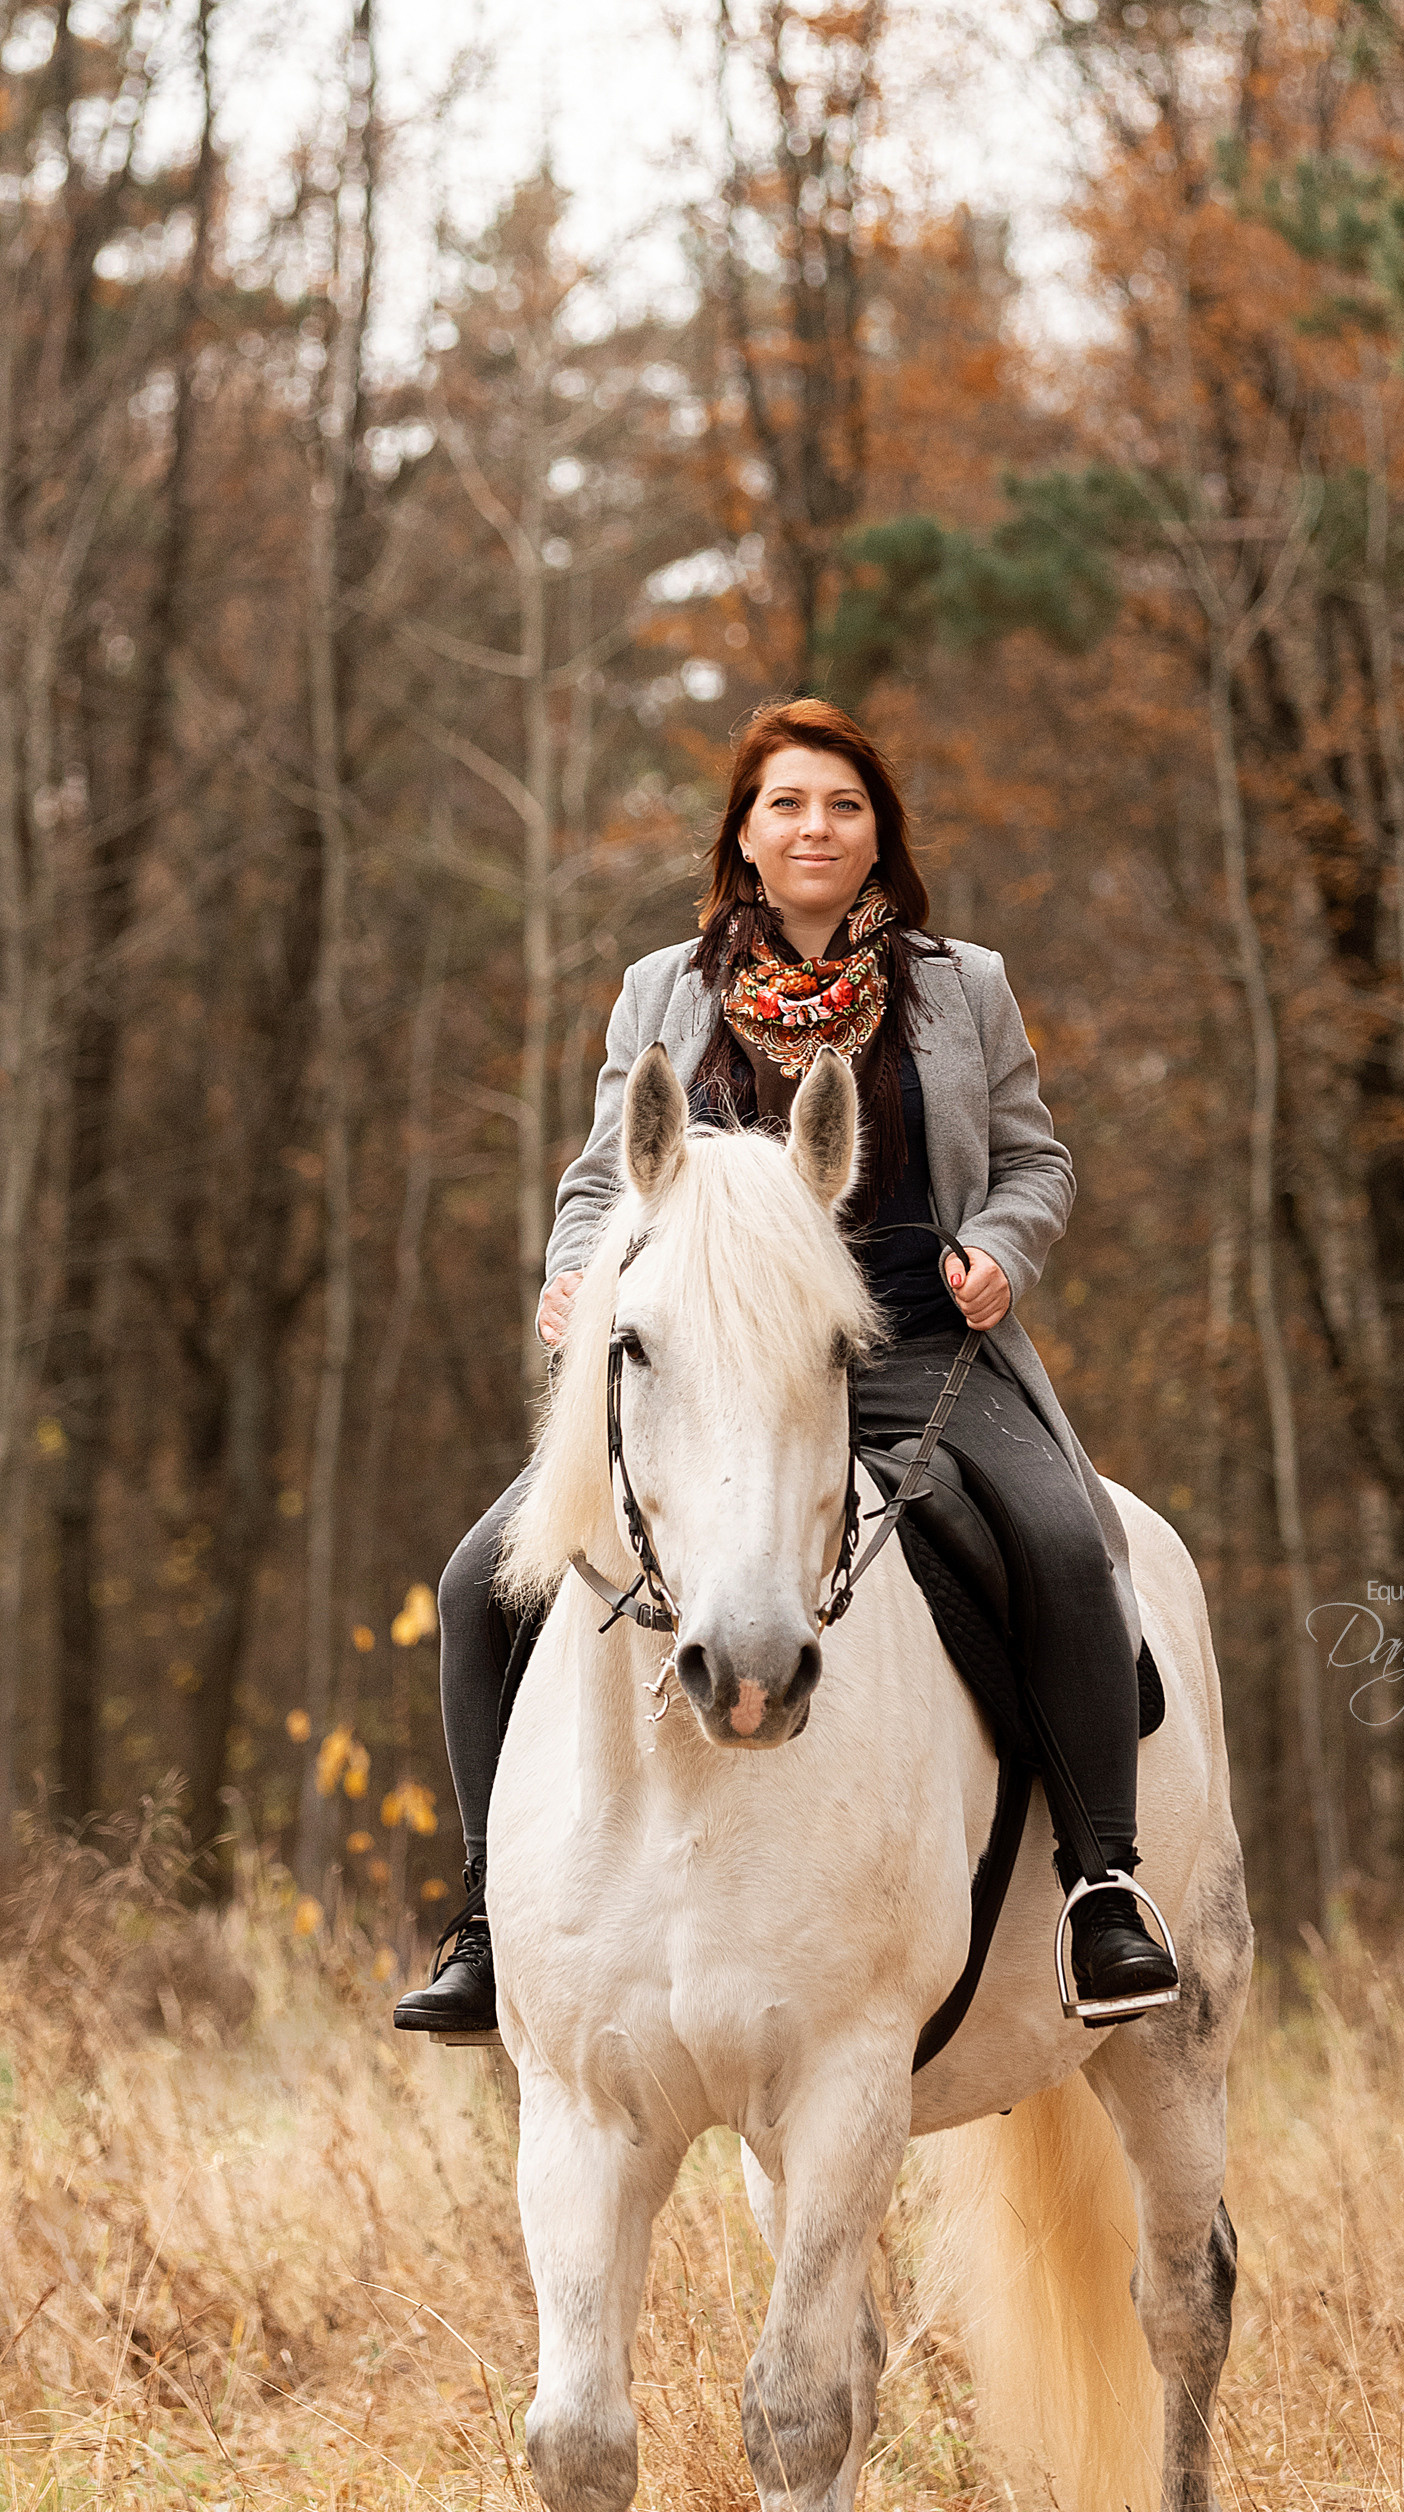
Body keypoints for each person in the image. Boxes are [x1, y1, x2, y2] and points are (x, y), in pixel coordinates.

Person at [396, 697, 1178, 2040]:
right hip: (709, 1371)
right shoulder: (666, 991)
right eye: (787, 806)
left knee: (1060, 1543)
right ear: (744, 839)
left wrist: (1000, 1245)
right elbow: (603, 1178)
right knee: (484, 1579)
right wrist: (576, 1277)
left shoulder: (966, 987)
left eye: (843, 806)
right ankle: (483, 1916)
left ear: (878, 838)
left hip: (920, 1349)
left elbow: (1035, 1158)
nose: (816, 827)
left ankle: (1102, 1885)